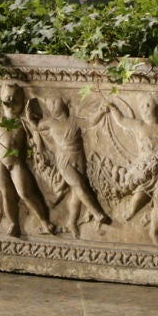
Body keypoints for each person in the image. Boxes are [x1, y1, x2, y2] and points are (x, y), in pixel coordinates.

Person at [29, 96, 111, 237]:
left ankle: (71, 222)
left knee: (76, 194)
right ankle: (97, 213)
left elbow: (91, 122)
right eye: (49, 104)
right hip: (64, 160)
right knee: (79, 185)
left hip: (79, 159)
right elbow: (36, 126)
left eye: (54, 101)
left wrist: (102, 111)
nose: (52, 106)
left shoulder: (75, 121)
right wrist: (29, 115)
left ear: (64, 103)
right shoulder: (50, 122)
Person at [107, 95, 158, 245]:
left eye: (148, 105)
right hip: (143, 169)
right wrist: (113, 109)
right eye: (142, 107)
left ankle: (154, 232)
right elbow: (121, 121)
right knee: (136, 202)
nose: (144, 110)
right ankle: (125, 219)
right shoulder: (139, 125)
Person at [0, 82, 55, 237]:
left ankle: (44, 221)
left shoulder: (23, 121)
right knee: (6, 193)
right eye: (7, 101)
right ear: (1, 100)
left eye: (15, 101)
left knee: (25, 192)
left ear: (22, 102)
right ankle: (13, 223)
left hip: (16, 161)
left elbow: (36, 135)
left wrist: (40, 150)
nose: (10, 104)